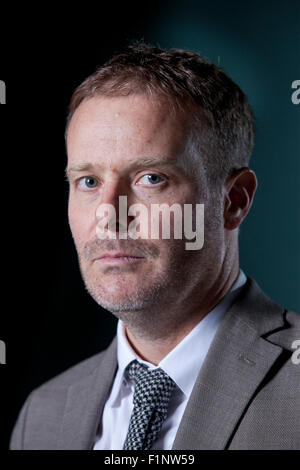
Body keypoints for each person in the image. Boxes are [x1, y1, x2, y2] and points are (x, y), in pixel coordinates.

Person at [10, 43, 299, 450]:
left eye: (150, 178)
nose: (108, 215)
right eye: (88, 182)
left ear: (233, 201)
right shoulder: (42, 416)